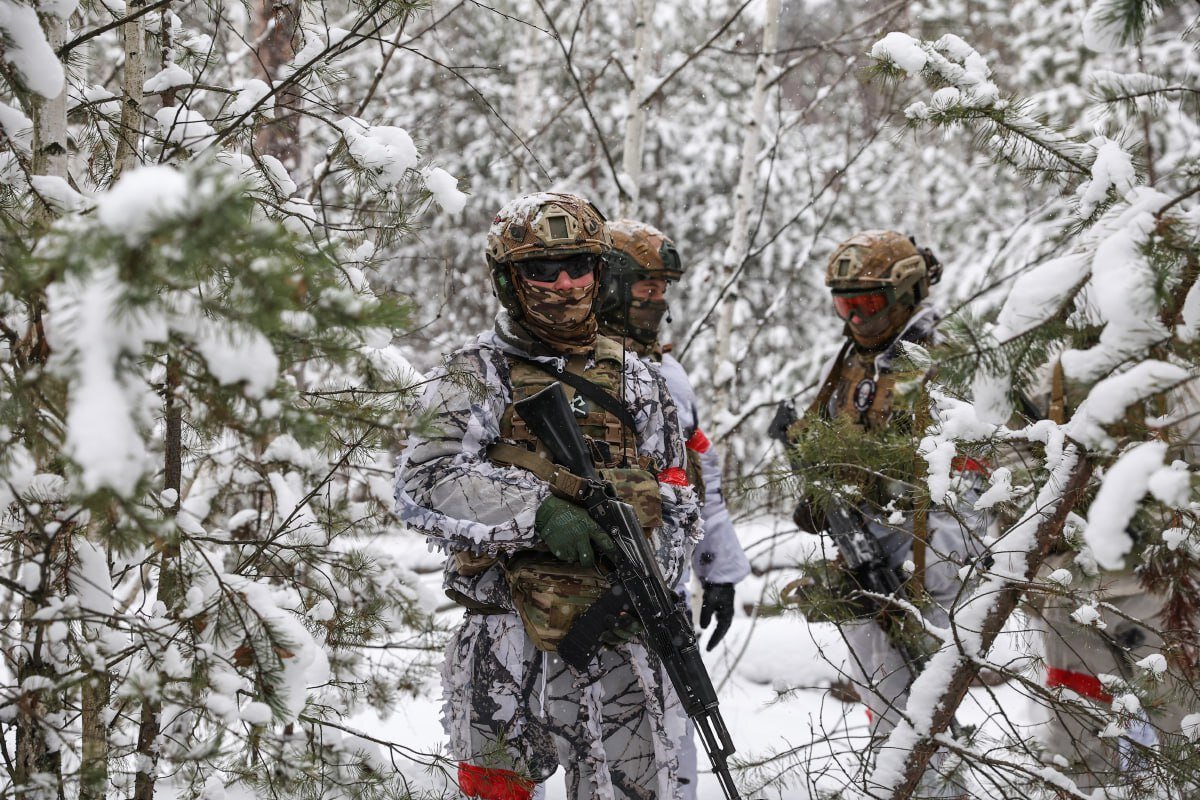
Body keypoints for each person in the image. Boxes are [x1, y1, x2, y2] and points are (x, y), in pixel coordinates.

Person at [395, 192, 701, 800]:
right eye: (541, 270)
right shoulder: (475, 372)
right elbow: (423, 480)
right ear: (511, 280)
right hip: (505, 632)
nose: (563, 284)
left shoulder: (638, 377)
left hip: (620, 634)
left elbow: (678, 497)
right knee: (498, 790)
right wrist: (539, 510)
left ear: (599, 272)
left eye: (577, 266)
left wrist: (646, 556)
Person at [780, 230, 989, 793]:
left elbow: (968, 483)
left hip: (928, 554)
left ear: (905, 293)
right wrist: (823, 497)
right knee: (885, 698)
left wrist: (931, 577)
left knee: (923, 706)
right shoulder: (857, 357)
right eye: (842, 302)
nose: (853, 316)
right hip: (867, 548)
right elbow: (828, 438)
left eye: (866, 302)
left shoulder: (940, 356)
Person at [595, 218, 752, 800]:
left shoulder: (670, 375)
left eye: (663, 287)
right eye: (644, 284)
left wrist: (718, 572)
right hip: (577, 596)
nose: (656, 299)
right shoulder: (567, 366)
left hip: (660, 596)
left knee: (667, 750)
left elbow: (698, 482)